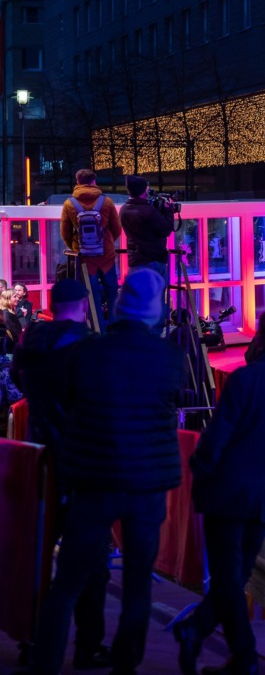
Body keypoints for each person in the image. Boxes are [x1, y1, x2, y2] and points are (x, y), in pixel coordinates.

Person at [28, 269, 185, 675]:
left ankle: (45, 663)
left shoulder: (89, 353)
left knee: (67, 583)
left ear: (118, 306)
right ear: (156, 311)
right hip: (147, 486)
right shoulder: (169, 357)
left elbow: (60, 396)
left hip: (94, 481)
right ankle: (124, 665)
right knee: (137, 586)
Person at [174, 309, 265, 675]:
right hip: (264, 495)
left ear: (259, 338)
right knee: (235, 575)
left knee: (227, 576)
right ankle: (200, 632)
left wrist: (200, 473)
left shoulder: (245, 379)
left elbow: (216, 438)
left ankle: (243, 656)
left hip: (225, 492)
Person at [12, 279, 109, 671]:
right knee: (92, 560)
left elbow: (20, 382)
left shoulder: (30, 341)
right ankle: (88, 645)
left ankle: (29, 638)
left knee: (36, 553)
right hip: (79, 460)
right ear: (83, 305)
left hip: (39, 457)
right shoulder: (86, 346)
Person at [60, 168, 123, 329]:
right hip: (106, 255)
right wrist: (107, 243)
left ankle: (97, 330)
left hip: (84, 258)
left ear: (78, 182)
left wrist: (75, 247)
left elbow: (65, 232)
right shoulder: (106, 202)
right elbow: (117, 228)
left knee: (92, 295)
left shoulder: (69, 204)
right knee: (112, 293)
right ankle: (115, 331)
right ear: (94, 182)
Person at [118, 174, 175, 284]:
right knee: (156, 299)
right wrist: (168, 211)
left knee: (138, 298)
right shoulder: (148, 211)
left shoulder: (124, 210)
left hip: (135, 260)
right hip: (154, 260)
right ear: (143, 190)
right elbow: (166, 229)